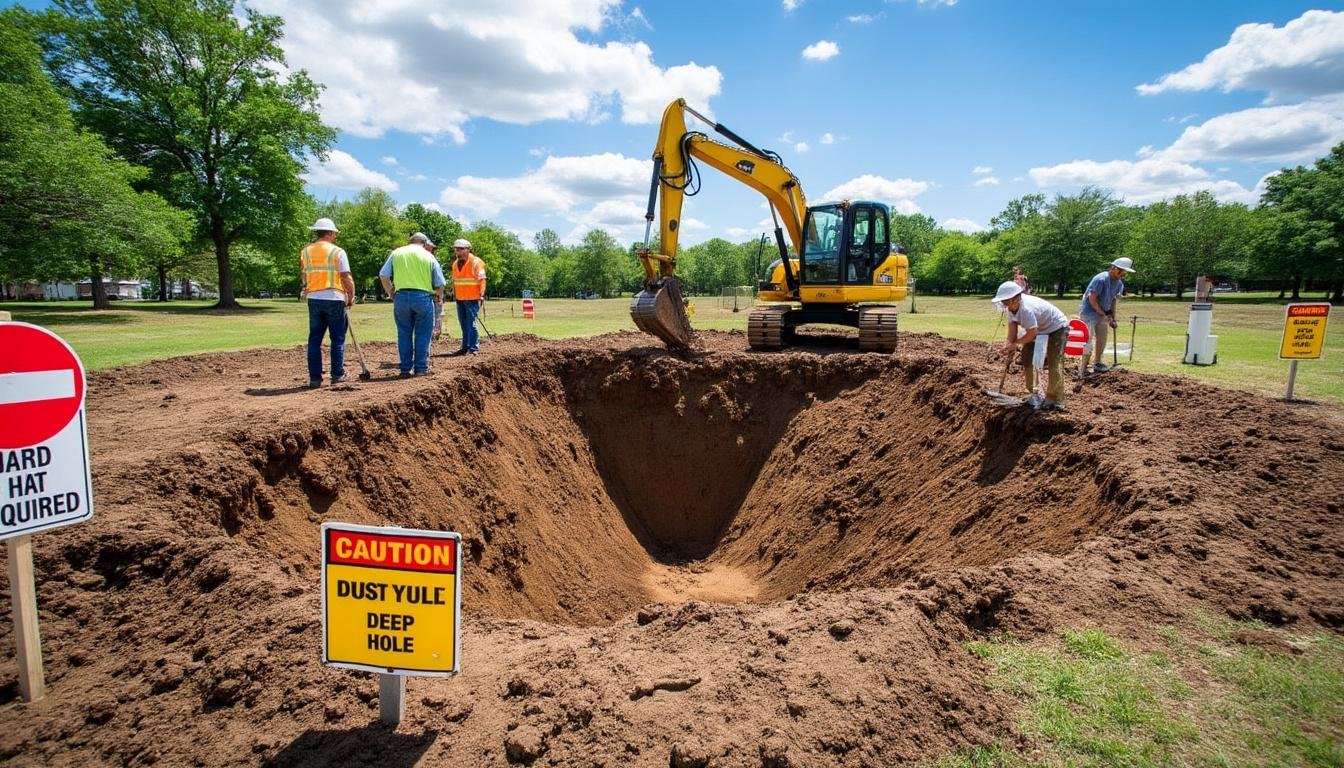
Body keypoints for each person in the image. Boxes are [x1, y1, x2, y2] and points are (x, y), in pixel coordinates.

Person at [993, 280, 1070, 410]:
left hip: (1057, 327)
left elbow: (1031, 334)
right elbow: (1012, 331)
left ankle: (1055, 399)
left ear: (1014, 299)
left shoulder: (1026, 309)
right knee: (1027, 357)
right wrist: (1009, 345)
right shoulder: (1011, 309)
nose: (1003, 304)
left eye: (1004, 301)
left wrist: (1016, 344)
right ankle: (1035, 392)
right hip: (1038, 328)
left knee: (1054, 362)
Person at [379, 233, 445, 377]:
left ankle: (405, 369)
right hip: (423, 298)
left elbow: (384, 275)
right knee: (423, 334)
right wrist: (439, 297)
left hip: (401, 297)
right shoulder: (429, 256)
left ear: (410, 242)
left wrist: (390, 292)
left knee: (404, 333)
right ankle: (421, 368)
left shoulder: (396, 253)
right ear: (424, 243)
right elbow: (440, 283)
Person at [300, 217, 356, 389]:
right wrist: (351, 295)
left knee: (314, 339)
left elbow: (304, 275)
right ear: (330, 233)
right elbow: (346, 277)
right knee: (338, 338)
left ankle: (315, 378)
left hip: (314, 298)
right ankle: (337, 374)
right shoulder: (337, 251)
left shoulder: (306, 251)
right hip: (334, 297)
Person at [1079, 257, 1134, 372]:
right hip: (1089, 313)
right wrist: (1101, 312)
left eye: (1124, 272)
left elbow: (1113, 301)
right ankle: (1084, 366)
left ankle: (1097, 363)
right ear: (1113, 268)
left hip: (1103, 313)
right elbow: (1092, 298)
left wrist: (1112, 318)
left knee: (1102, 339)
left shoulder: (1119, 284)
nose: (1122, 274)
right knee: (1088, 339)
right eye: (1120, 271)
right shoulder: (1101, 279)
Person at [449, 238, 487, 356]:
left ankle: (473, 347)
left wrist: (481, 295)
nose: (458, 252)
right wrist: (454, 295)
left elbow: (482, 279)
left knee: (471, 324)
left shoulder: (476, 262)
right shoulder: (455, 264)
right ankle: (465, 347)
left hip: (472, 299)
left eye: (461, 249)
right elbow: (455, 281)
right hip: (460, 299)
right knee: (463, 324)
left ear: (468, 249)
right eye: (456, 249)